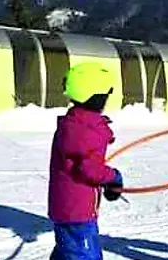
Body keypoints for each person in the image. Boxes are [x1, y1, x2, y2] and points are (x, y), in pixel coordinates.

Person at [47, 61, 125, 260]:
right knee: (85, 255)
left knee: (67, 250)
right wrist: (113, 177)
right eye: (106, 95)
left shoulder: (73, 122)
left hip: (63, 206)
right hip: (78, 212)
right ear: (98, 98)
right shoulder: (88, 130)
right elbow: (89, 170)